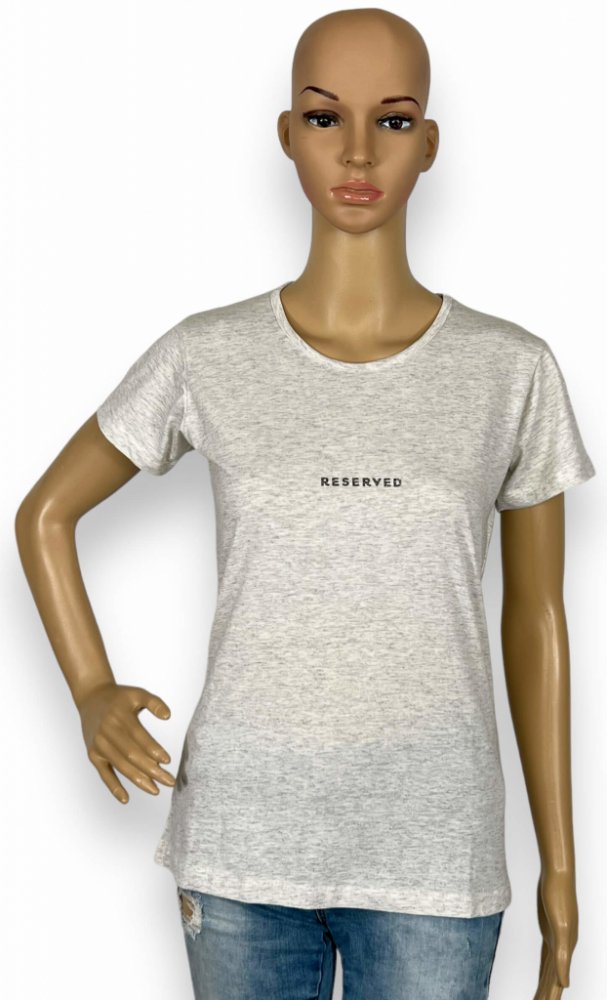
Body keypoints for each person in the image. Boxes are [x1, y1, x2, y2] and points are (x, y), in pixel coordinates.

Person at [14, 8, 596, 999]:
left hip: (433, 852)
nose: (358, 151)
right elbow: (44, 516)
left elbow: (536, 616)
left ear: (429, 144)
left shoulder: (510, 371)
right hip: (241, 844)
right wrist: (89, 690)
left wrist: (560, 865)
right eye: (325, 118)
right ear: (287, 134)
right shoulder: (207, 354)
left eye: (393, 120)